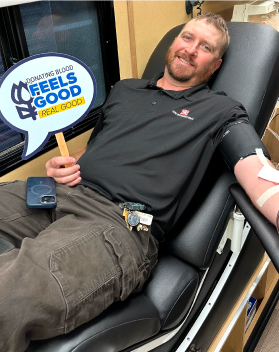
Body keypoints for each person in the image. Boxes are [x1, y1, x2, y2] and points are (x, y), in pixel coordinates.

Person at [0, 12, 278, 352]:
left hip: (119, 223)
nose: (191, 50)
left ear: (216, 64)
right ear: (174, 43)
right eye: (187, 38)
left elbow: (257, 171)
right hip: (61, 193)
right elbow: (94, 150)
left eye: (205, 47)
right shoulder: (124, 89)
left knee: (8, 297)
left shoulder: (220, 111)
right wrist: (62, 167)